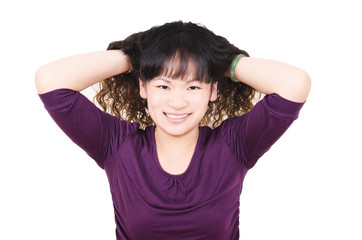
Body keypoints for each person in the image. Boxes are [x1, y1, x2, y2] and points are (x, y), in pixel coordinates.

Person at [35, 21, 311, 240]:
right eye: (163, 86)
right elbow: (50, 80)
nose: (177, 102)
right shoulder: (116, 145)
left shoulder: (234, 145)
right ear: (143, 87)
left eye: (193, 86)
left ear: (213, 90)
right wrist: (141, 56)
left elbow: (294, 84)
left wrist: (212, 59)